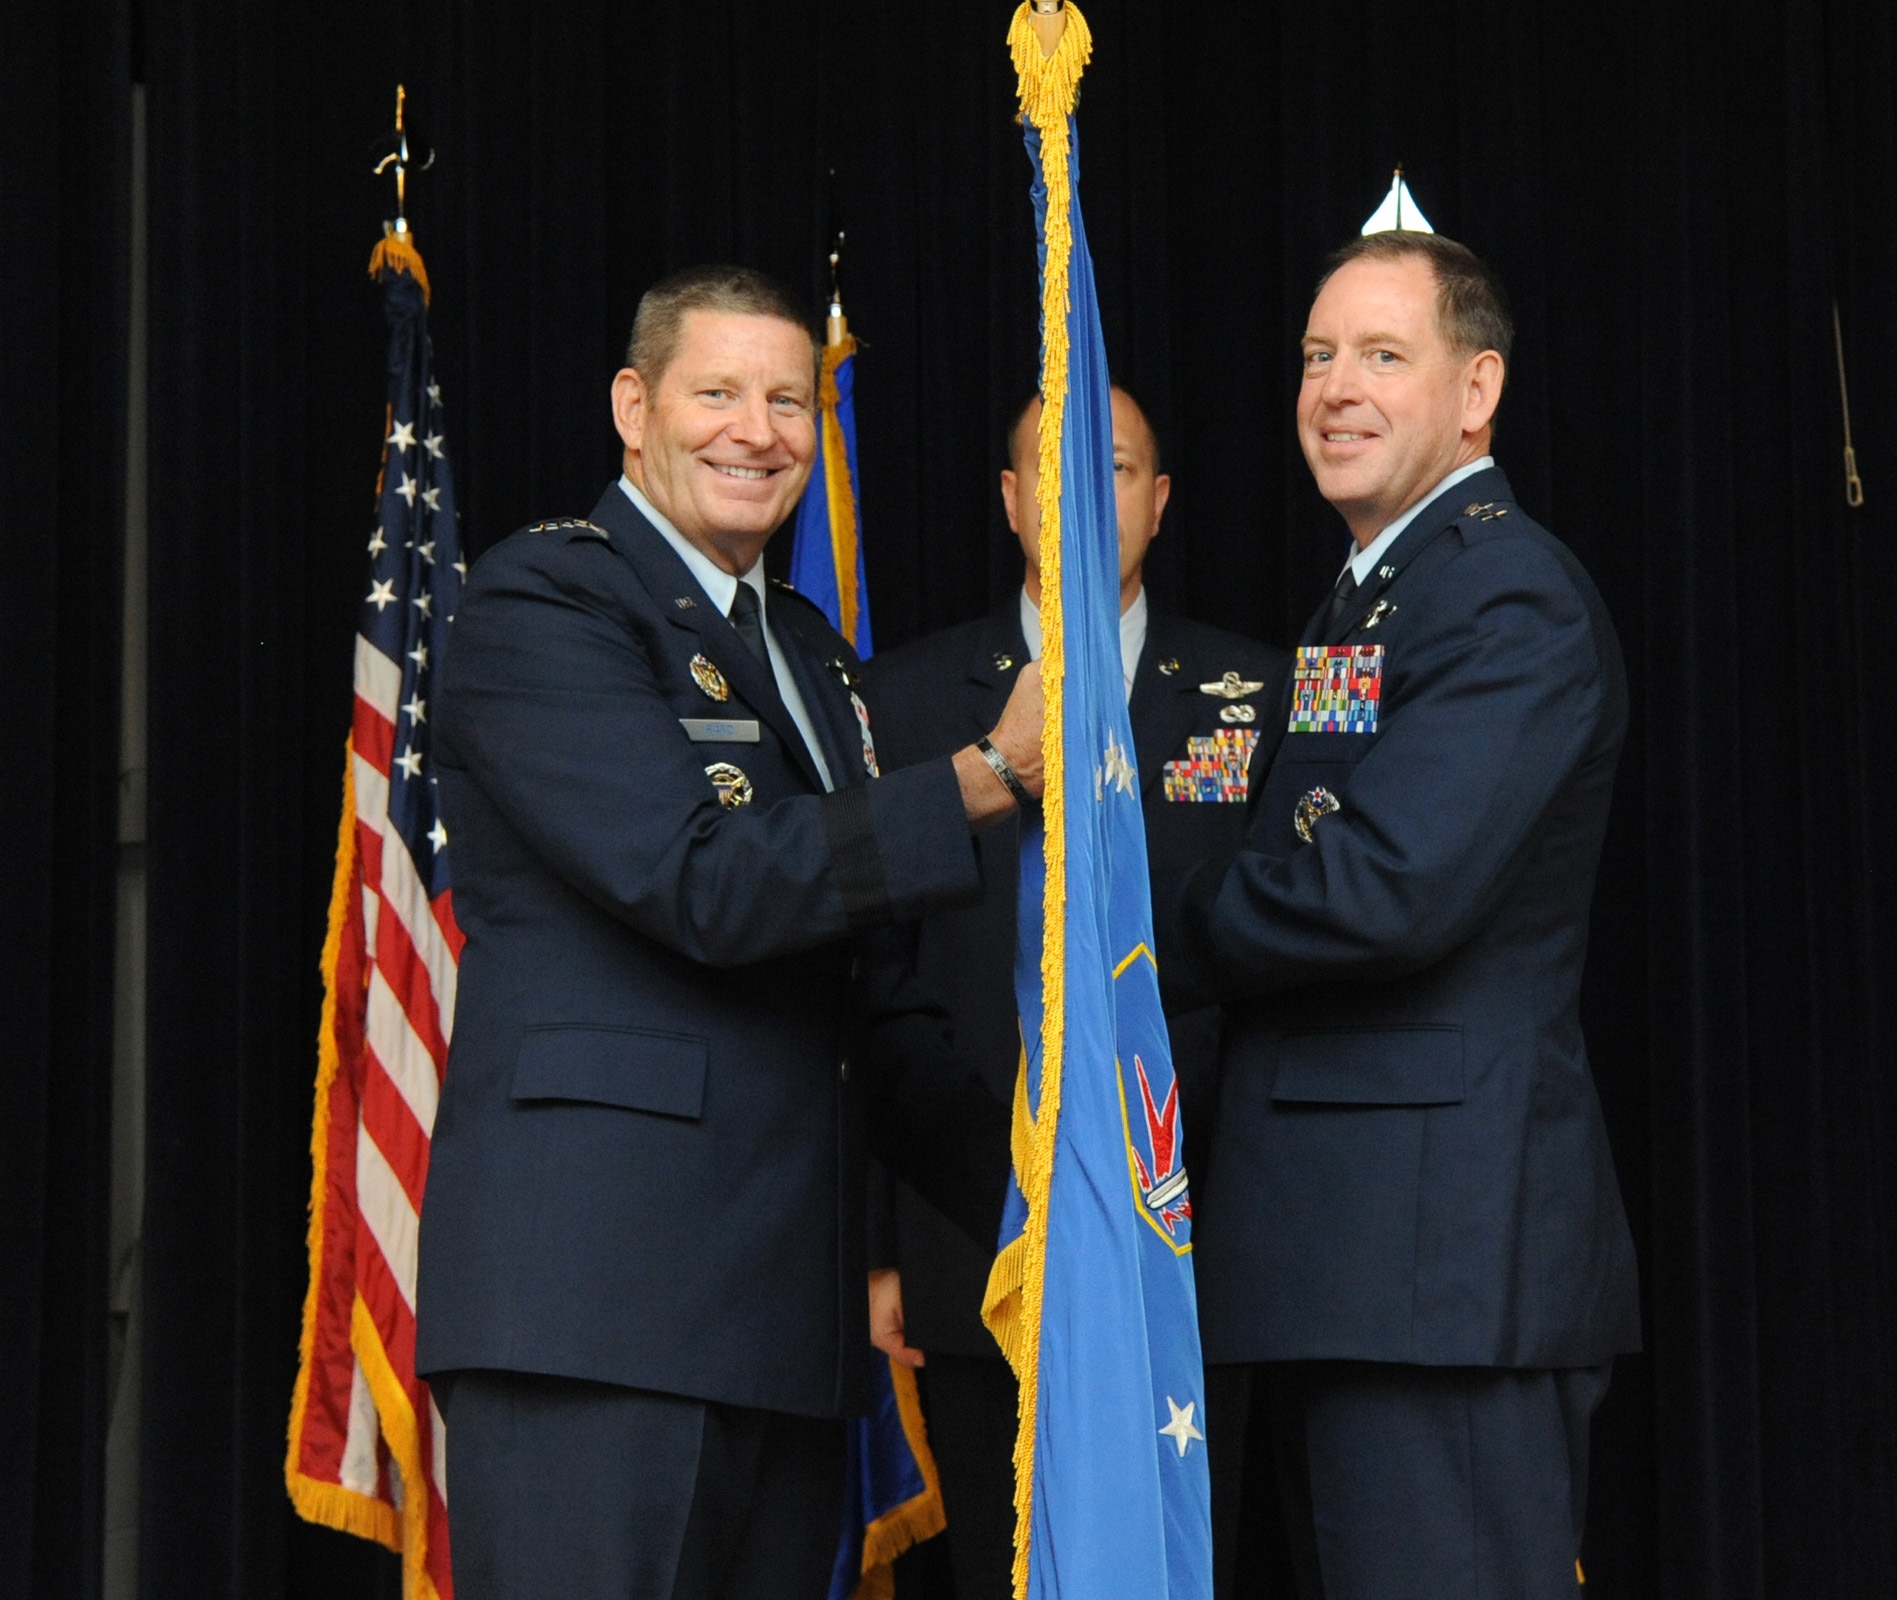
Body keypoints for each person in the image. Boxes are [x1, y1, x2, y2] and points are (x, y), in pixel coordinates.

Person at [417, 264, 1045, 1599]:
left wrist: (1050, 1208)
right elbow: (698, 880)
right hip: (598, 1318)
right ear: (632, 407)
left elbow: (863, 995)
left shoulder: (814, 656)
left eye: (789, 399)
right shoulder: (542, 603)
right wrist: (987, 774)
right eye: (717, 393)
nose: (756, 430)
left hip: (781, 1334)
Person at [1155, 232, 1641, 1598]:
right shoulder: (1374, 596)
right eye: (1318, 356)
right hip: (1356, 1258)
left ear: (1476, 390)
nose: (1336, 388)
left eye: (1382, 355)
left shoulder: (1505, 593)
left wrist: (1140, 935)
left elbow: (1383, 890)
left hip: (1436, 1272)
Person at [864, 384, 1286, 1599]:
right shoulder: (900, 700)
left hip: (1199, 1238)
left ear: (1156, 501)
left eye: (1110, 469)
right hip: (977, 1232)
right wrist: (885, 1247)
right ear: (1007, 503)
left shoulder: (1259, 695)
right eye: (1049, 469)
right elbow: (876, 983)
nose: (1079, 495)